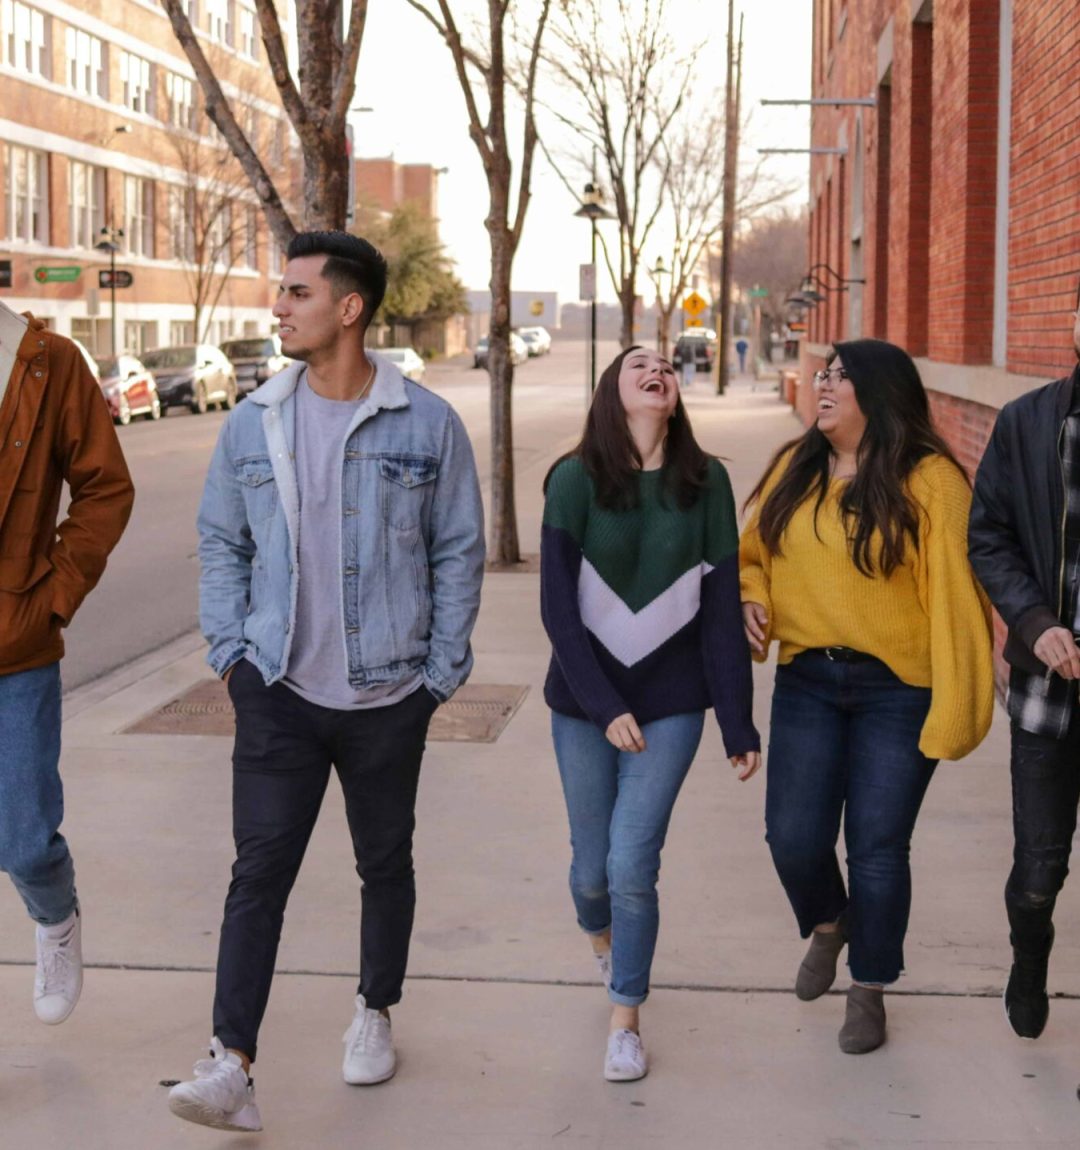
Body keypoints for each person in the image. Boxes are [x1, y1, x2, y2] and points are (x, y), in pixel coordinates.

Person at [169, 231, 485, 1132]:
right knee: (258, 871)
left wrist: (438, 676)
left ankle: (374, 1011)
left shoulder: (426, 424)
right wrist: (232, 657)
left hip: (390, 696)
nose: (279, 307)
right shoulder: (252, 419)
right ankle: (231, 1063)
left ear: (348, 309)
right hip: (277, 690)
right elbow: (223, 543)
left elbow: (458, 549)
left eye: (297, 293)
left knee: (383, 862)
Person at [740, 338, 993, 1055]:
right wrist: (751, 599)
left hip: (898, 690)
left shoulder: (931, 480)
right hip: (807, 680)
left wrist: (958, 706)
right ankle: (829, 923)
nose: (822, 385)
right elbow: (751, 555)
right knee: (792, 837)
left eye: (840, 378)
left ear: (878, 394)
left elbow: (956, 601)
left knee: (878, 848)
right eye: (822, 373)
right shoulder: (795, 468)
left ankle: (871, 987)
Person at [541, 345, 760, 1083]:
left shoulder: (708, 483)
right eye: (637, 363)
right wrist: (603, 708)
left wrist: (737, 721)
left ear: (675, 393)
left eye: (666, 364)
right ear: (613, 391)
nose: (656, 368)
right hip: (583, 704)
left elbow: (723, 613)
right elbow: (558, 614)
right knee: (589, 873)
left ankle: (625, 1016)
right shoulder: (573, 480)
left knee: (632, 863)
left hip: (671, 705)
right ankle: (606, 942)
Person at [0, 304, 134, 1026]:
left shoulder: (49, 362)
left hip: (13, 643)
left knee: (22, 838)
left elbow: (106, 487)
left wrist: (55, 595)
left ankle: (56, 919)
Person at [968, 277, 1080, 1043]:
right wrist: (1033, 622)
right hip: (1051, 695)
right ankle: (1029, 955)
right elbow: (989, 536)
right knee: (1040, 867)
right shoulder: (1029, 423)